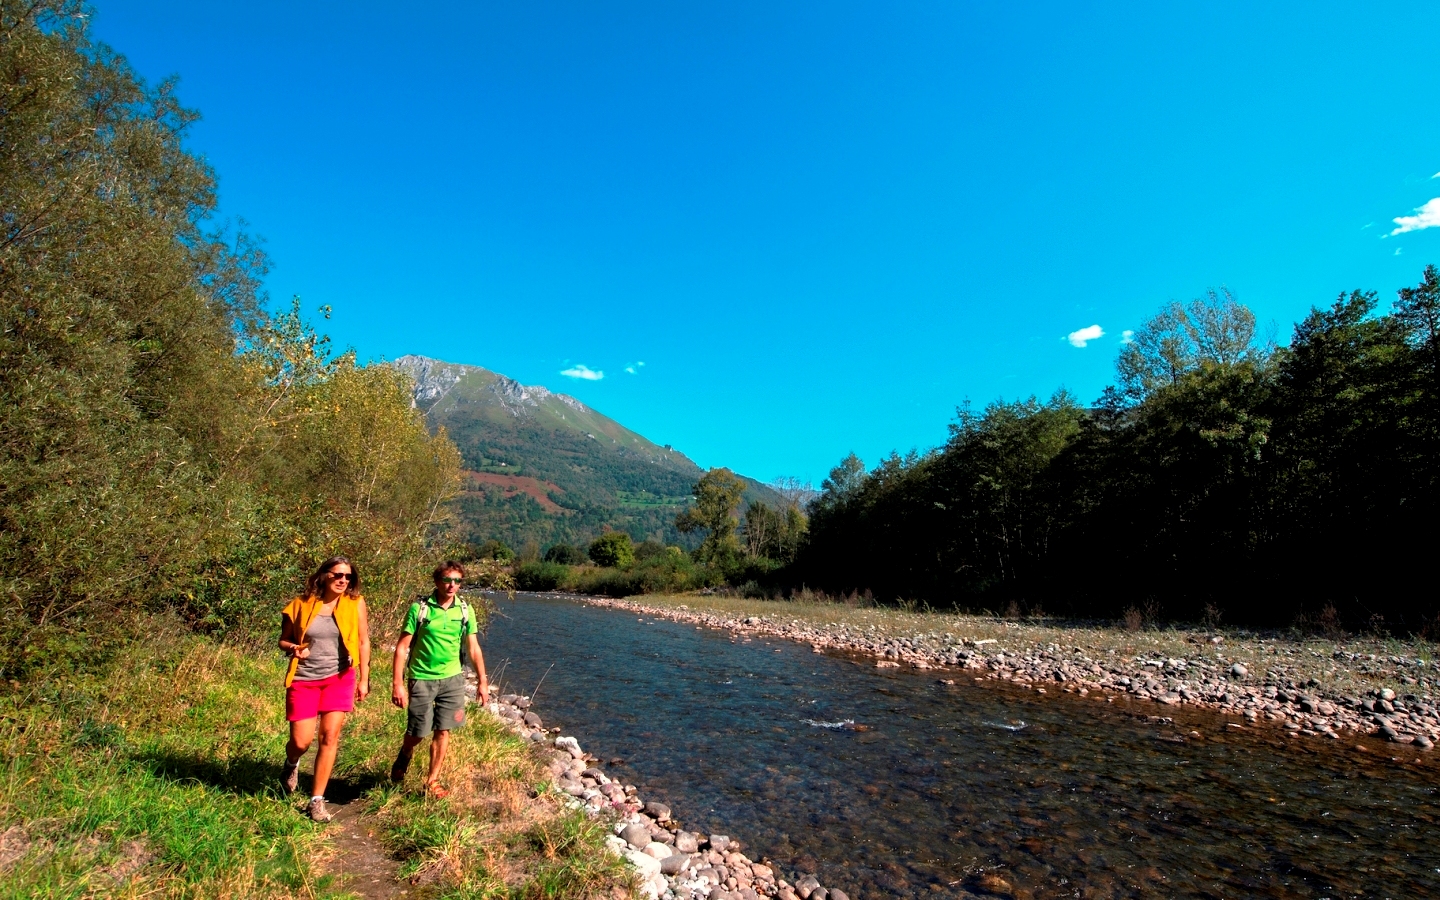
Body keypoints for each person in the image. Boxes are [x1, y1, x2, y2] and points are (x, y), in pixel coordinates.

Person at [278, 556, 371, 822]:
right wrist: (294, 648)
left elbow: (363, 641)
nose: (343, 580)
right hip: (304, 679)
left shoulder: (355, 603)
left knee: (329, 737)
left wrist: (364, 679)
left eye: (348, 577)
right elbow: (283, 640)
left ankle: (316, 801)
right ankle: (291, 764)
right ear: (323, 575)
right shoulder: (301, 604)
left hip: (340, 678)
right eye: (337, 575)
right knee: (301, 741)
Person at [390, 560, 489, 797]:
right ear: (437, 581)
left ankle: (432, 780)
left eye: (457, 581)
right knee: (417, 732)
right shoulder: (420, 609)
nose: (452, 585)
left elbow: (473, 648)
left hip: (452, 679)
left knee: (443, 730)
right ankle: (406, 751)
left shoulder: (465, 610)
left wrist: (482, 681)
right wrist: (397, 684)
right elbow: (402, 648)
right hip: (421, 677)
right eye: (447, 579)